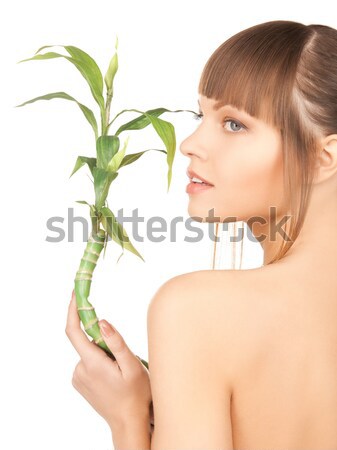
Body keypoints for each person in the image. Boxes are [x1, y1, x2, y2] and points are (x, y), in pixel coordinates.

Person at [65, 19, 337, 449]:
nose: (189, 143)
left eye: (234, 124)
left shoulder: (196, 311)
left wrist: (128, 418)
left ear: (323, 157)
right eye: (200, 115)